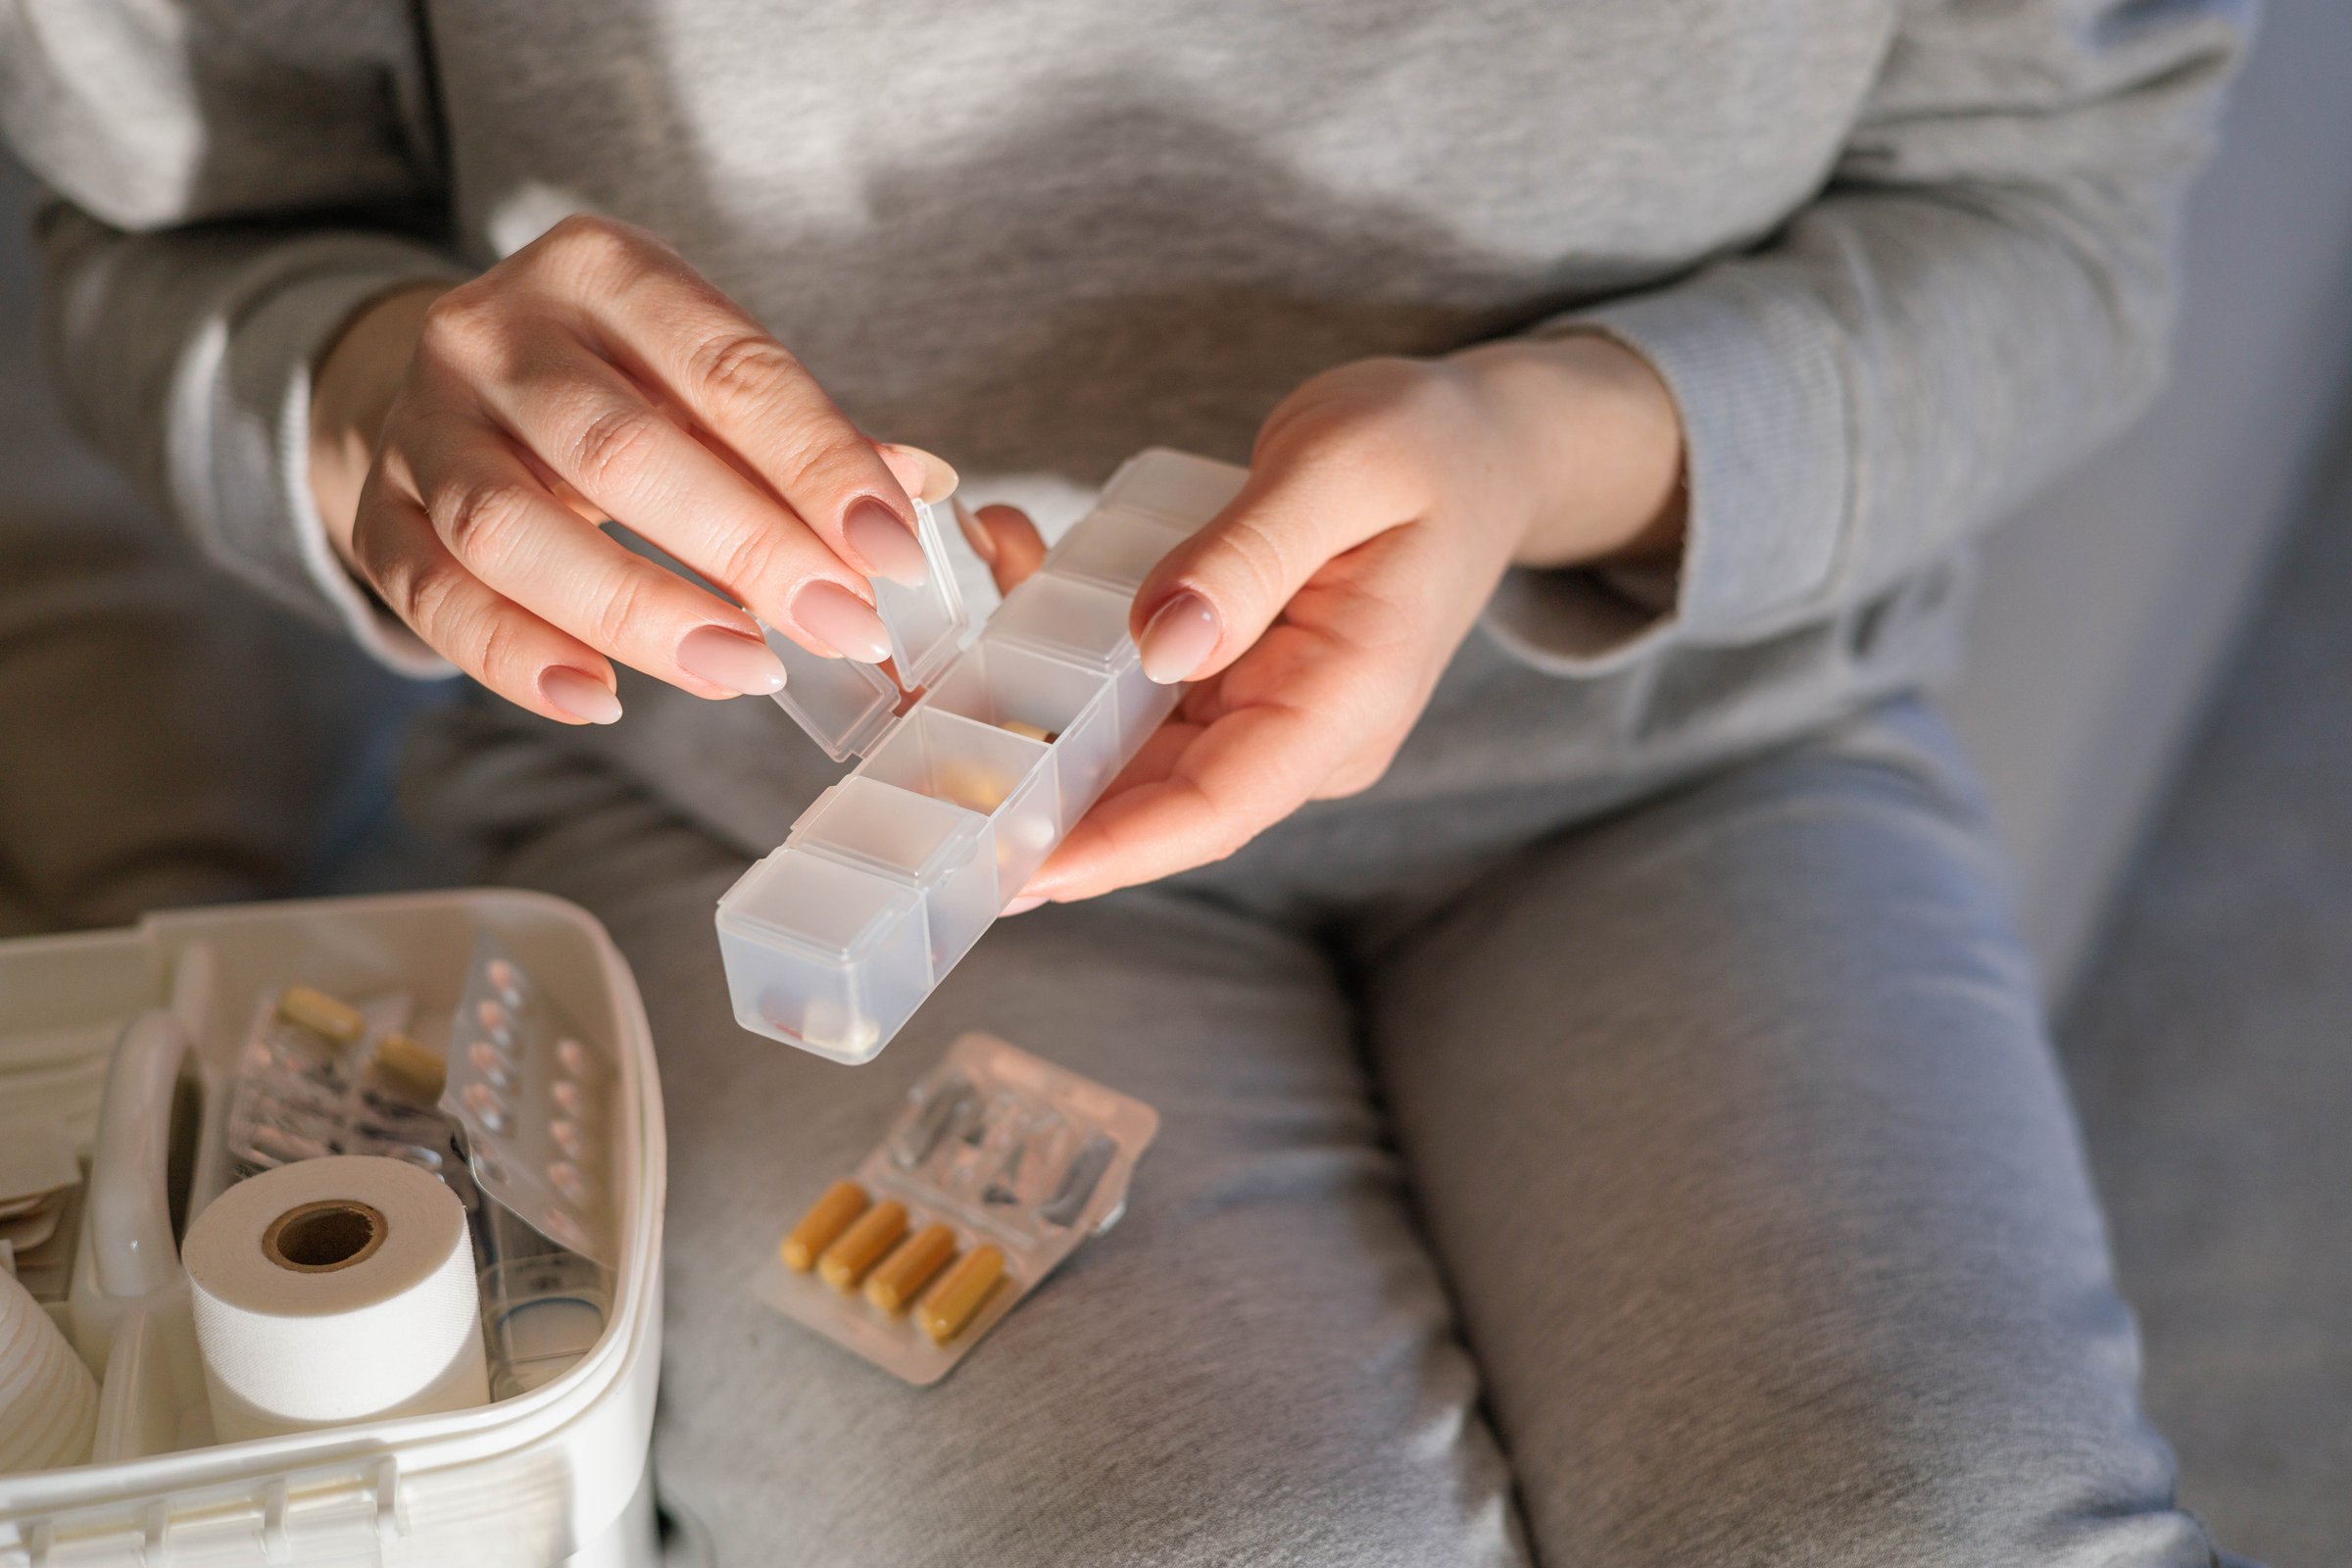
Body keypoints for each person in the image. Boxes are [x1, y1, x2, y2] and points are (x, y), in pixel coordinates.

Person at [3, 2, 2253, 1562]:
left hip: (1675, 757)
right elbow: (156, 244)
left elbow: (2058, 222)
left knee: (1937, 1519)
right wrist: (365, 401)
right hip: (743, 798)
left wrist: (1538, 446)